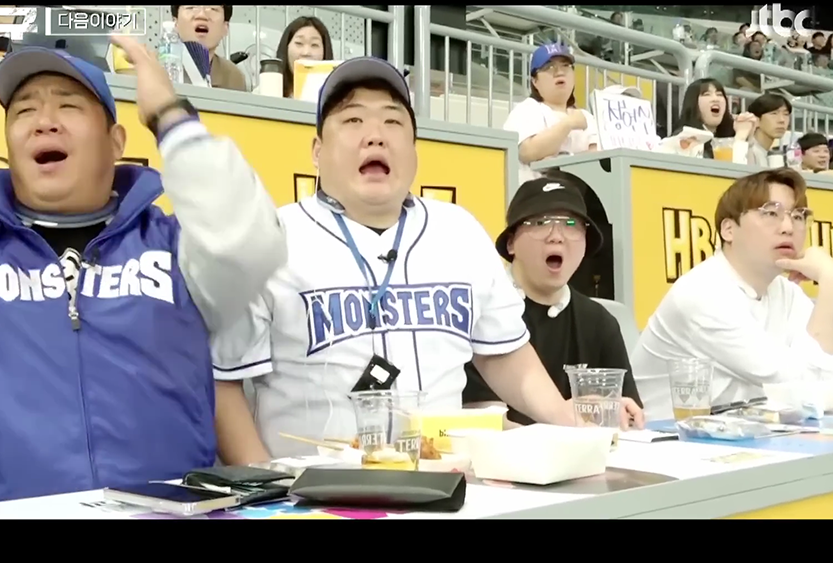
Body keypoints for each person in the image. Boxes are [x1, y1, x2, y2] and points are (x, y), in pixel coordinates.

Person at [0, 35, 285, 509]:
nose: (44, 121)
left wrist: (170, 116)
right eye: (24, 110)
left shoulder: (177, 250)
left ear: (116, 142)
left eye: (68, 106)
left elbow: (249, 242)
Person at [210, 57, 577, 463]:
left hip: (445, 480)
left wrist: (572, 425)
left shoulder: (459, 231)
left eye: (392, 121)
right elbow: (223, 384)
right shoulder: (269, 240)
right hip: (314, 486)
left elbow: (504, 354)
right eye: (353, 120)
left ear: (414, 151)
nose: (375, 136)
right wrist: (267, 483)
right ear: (317, 151)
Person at [631, 168, 833, 421]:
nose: (788, 227)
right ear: (728, 230)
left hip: (747, 433)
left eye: (798, 216)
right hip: (666, 436)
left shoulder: (786, 292)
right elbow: (798, 386)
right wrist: (829, 280)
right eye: (771, 213)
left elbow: (817, 380)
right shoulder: (702, 292)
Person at [463, 172, 644, 429]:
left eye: (570, 224)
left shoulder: (600, 323)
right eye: (540, 223)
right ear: (511, 243)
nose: (556, 236)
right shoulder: (482, 314)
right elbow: (484, 422)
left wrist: (613, 414)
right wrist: (567, 427)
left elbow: (627, 416)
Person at [503, 43, 598, 187]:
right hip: (538, 196)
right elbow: (528, 151)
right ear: (535, 81)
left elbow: (599, 157)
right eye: (549, 67)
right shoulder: (526, 109)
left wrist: (557, 162)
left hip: (581, 196)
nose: (559, 72)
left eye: (565, 66)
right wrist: (568, 124)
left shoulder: (586, 117)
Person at [172, 5, 247, 91]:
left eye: (213, 9)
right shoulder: (159, 70)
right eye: (191, 7)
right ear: (175, 23)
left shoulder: (233, 77)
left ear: (225, 27)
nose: (201, 15)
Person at [671, 78, 742, 160]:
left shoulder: (731, 134)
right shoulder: (685, 137)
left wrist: (747, 136)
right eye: (707, 94)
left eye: (719, 94)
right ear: (693, 102)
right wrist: (740, 137)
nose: (715, 99)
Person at [273, 16, 333, 98]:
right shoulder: (267, 90)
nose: (306, 52)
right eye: (299, 43)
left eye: (314, 45)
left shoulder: (336, 96)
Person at [732, 93, 792, 167]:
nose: (782, 120)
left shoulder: (770, 155)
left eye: (786, 114)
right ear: (756, 120)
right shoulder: (747, 150)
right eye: (774, 114)